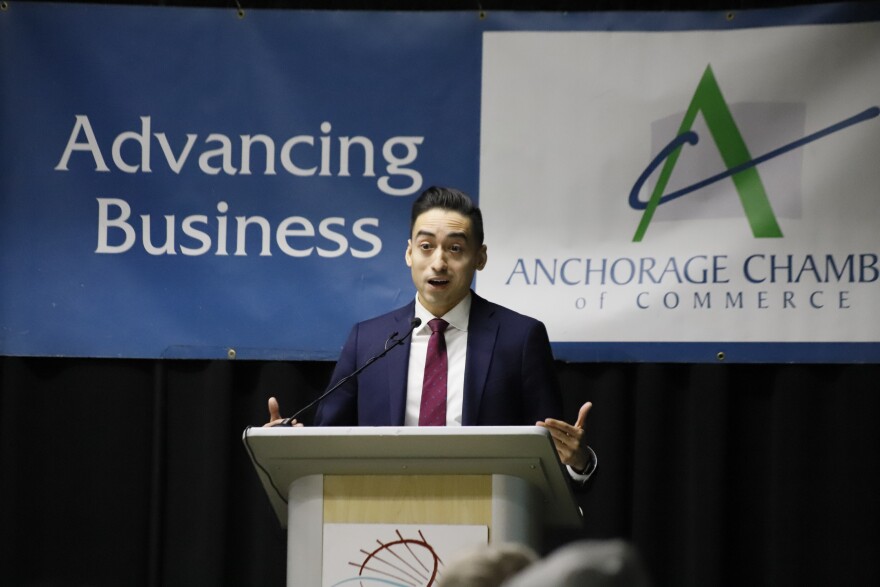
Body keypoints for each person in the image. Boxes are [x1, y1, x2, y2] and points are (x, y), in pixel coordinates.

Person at [266, 186, 596, 478]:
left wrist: (577, 462)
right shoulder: (367, 340)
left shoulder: (520, 339)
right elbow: (328, 443)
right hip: (378, 518)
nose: (438, 263)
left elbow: (553, 455)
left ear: (480, 257)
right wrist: (289, 445)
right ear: (409, 253)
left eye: (455, 249)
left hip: (487, 523)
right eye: (426, 246)